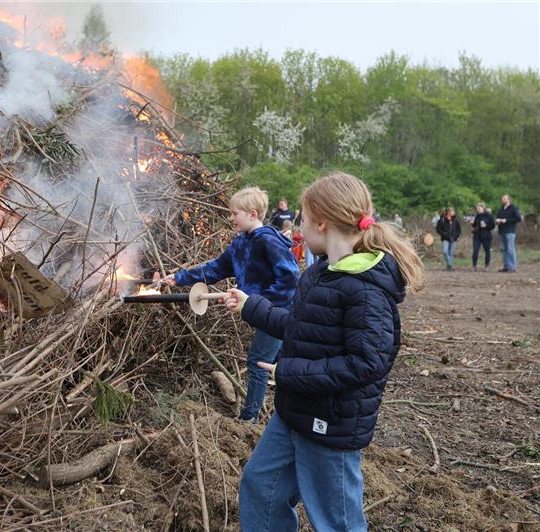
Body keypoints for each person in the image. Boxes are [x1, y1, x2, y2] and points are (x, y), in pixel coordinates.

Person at [224, 172, 425, 531]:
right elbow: (302, 327)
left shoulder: (366, 290)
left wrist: (288, 372)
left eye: (301, 217)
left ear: (321, 222)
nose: (297, 226)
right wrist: (250, 306)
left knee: (336, 522)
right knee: (260, 490)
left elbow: (367, 363)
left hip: (331, 425)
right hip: (293, 414)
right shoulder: (320, 274)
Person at [163, 186, 299, 422]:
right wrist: (179, 278)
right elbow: (215, 268)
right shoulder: (241, 244)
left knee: (258, 361)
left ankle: (250, 418)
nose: (231, 218)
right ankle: (285, 412)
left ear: (253, 214)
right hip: (262, 311)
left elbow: (290, 279)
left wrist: (260, 303)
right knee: (276, 361)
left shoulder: (268, 241)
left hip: (280, 312)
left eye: (235, 213)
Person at [495, 194, 522, 272]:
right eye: (502, 198)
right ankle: (506, 267)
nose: (502, 200)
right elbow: (497, 218)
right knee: (503, 249)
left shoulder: (514, 208)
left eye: (504, 198)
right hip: (501, 231)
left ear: (508, 200)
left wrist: (506, 220)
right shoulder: (501, 209)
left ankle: (512, 267)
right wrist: (497, 221)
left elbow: (518, 218)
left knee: (510, 249)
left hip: (510, 231)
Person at [471, 202, 495, 271]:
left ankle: (486, 266)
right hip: (477, 236)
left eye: (479, 208)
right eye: (477, 208)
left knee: (487, 251)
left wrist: (486, 226)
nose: (477, 209)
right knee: (475, 251)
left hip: (486, 236)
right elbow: (475, 225)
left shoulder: (489, 216)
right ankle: (474, 266)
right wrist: (472, 223)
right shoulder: (477, 216)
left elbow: (493, 225)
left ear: (483, 208)